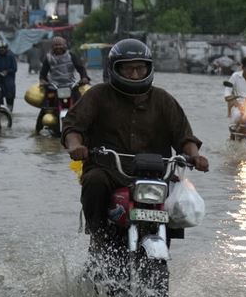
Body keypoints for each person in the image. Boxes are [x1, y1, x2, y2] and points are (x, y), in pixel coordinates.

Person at [62, 39, 210, 248]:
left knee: (174, 195)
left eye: (140, 68)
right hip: (109, 170)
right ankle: (98, 236)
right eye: (128, 69)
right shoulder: (97, 95)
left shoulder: (163, 99)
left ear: (148, 68)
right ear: (115, 69)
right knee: (94, 181)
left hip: (155, 173)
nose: (134, 74)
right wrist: (75, 146)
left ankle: (164, 236)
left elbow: (184, 136)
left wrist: (195, 156)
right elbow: (73, 127)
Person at [39, 36, 89, 102]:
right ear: (52, 47)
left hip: (71, 85)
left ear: (65, 45)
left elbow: (80, 68)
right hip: (54, 86)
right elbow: (43, 73)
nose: (58, 47)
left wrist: (84, 77)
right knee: (46, 104)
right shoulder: (48, 58)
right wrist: (43, 81)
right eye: (55, 45)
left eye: (60, 45)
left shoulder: (71, 55)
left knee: (80, 103)